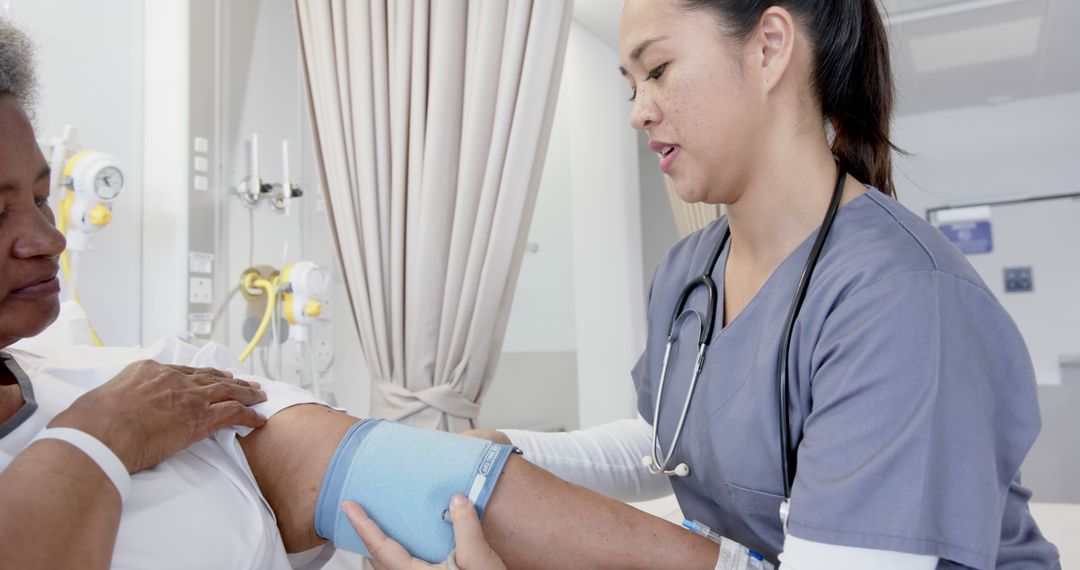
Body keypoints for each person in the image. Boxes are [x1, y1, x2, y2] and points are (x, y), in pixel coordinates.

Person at [0, 16, 722, 570]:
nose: (47, 239)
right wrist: (102, 438)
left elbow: (402, 479)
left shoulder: (151, 379)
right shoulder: (121, 407)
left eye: (40, 197)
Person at [367, 0, 1063, 568]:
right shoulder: (689, 271)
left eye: (659, 69)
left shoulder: (904, 301)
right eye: (630, 84)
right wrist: (506, 448)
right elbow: (667, 441)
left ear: (768, 48)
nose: (638, 109)